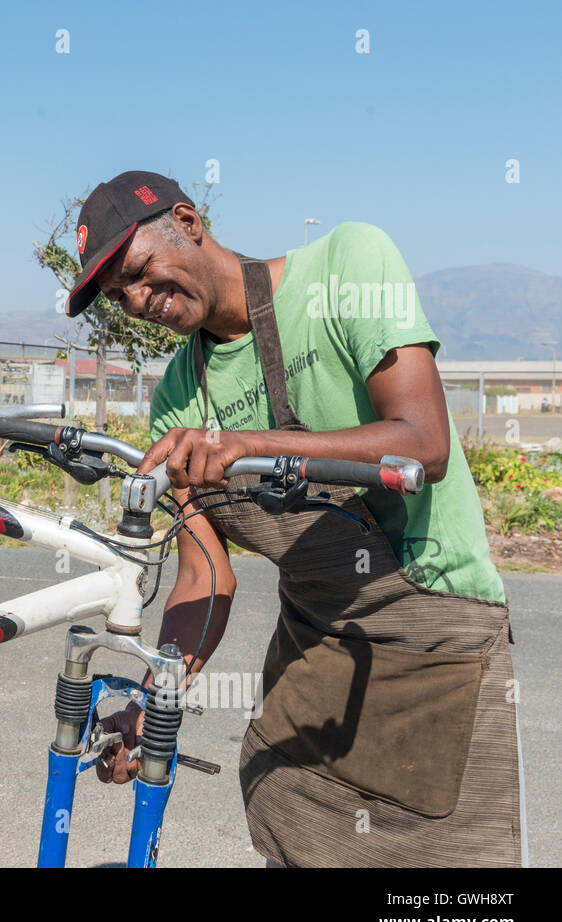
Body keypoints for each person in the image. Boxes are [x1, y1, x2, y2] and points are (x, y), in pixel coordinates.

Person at [65, 171, 524, 867]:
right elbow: (204, 575)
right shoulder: (179, 401)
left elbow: (423, 443)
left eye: (136, 270)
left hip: (431, 641)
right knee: (287, 812)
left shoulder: (348, 267)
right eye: (117, 295)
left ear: (187, 222)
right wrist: (150, 698)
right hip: (312, 655)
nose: (135, 301)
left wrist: (251, 444)